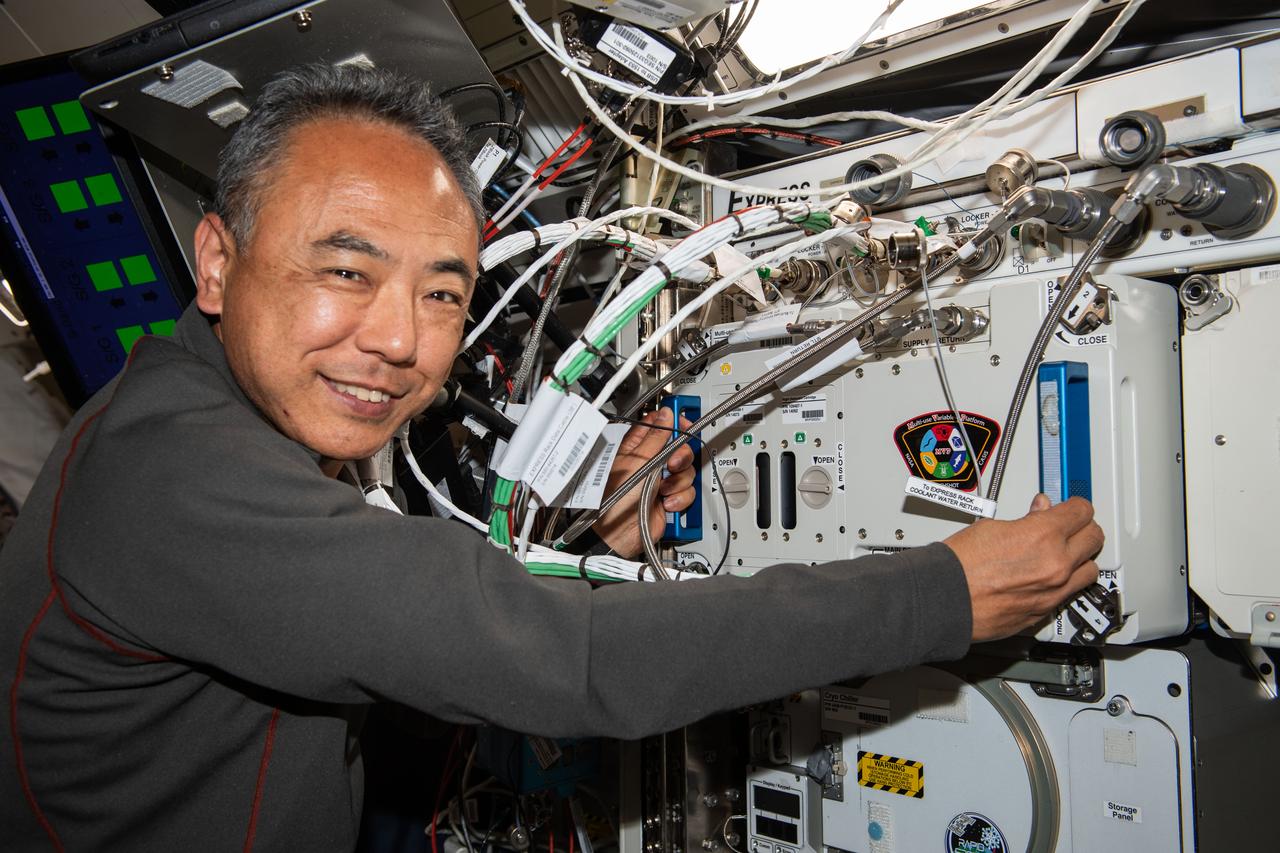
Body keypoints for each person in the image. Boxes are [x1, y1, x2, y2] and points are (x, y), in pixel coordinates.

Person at [0, 64, 1103, 851]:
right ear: (216, 262)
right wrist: (941, 593)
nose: (398, 339)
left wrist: (586, 535)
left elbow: (391, 611)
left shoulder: (207, 409)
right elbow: (560, 659)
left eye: (443, 293)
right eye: (346, 272)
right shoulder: (172, 477)